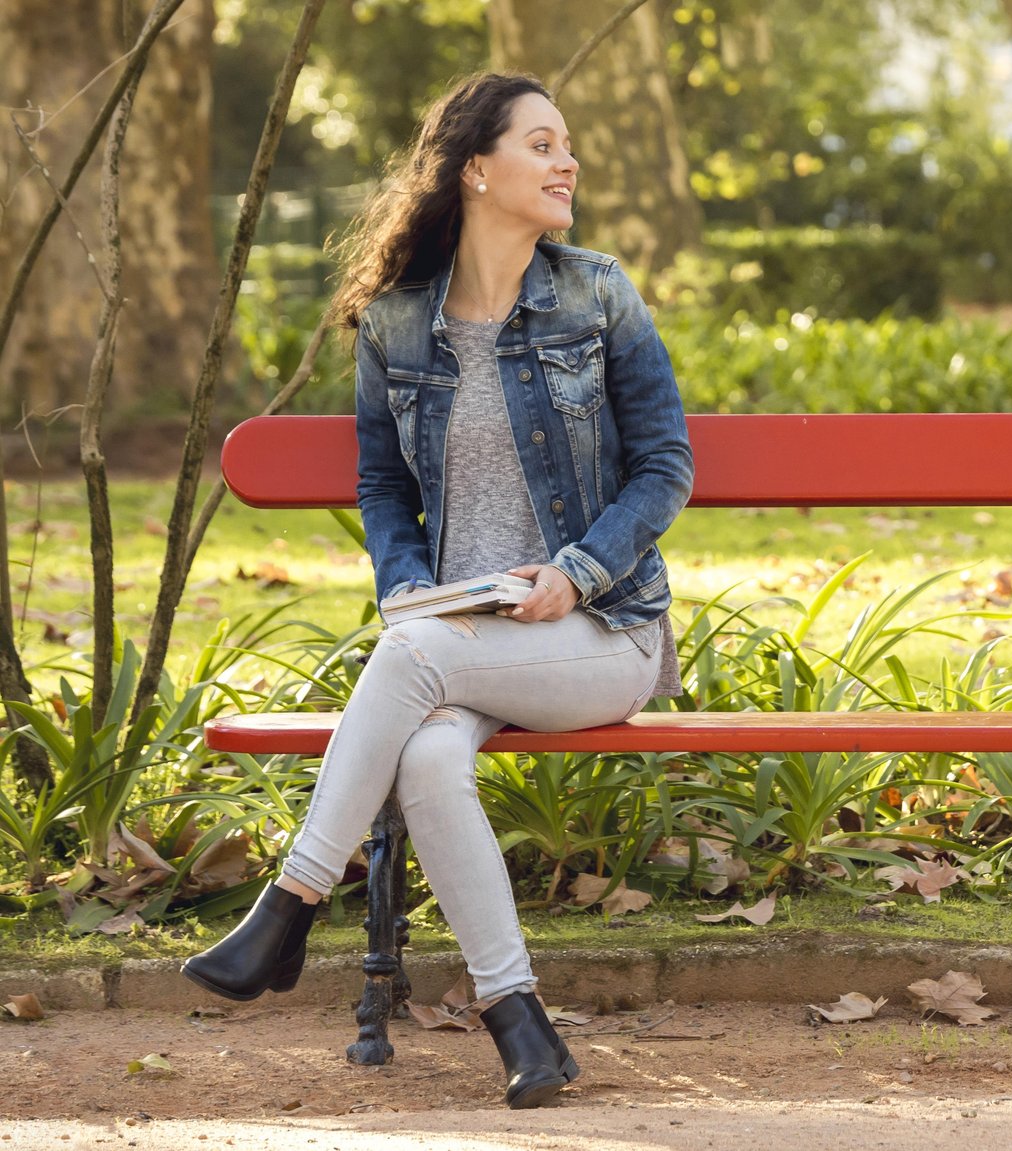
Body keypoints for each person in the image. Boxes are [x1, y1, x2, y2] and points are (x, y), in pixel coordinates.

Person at [183, 72, 692, 1110]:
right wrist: (411, 583)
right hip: (463, 636)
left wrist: (577, 570)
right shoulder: (396, 324)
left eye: (566, 145)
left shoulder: (596, 291)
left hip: (601, 632)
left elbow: (665, 465)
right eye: (541, 145)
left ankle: (287, 906)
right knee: (423, 751)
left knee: (412, 661)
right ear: (475, 169)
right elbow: (382, 487)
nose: (566, 163)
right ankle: (521, 1022)